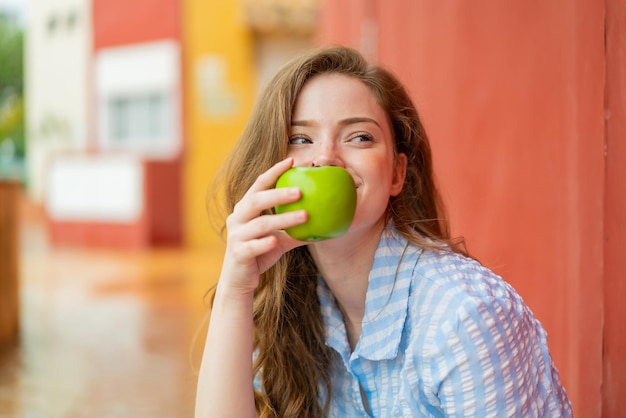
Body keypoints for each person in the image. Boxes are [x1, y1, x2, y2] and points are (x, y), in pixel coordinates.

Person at [194, 46, 572, 418]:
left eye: (359, 137)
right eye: (301, 138)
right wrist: (235, 291)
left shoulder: (463, 316)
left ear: (396, 173)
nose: (325, 158)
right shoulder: (289, 308)